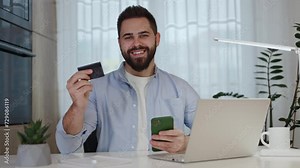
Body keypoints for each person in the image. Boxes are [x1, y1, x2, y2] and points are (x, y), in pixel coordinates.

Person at [56, 5, 199, 154]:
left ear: (157, 39)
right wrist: (77, 107)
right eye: (128, 37)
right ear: (119, 43)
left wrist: (186, 143)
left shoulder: (181, 88)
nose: (136, 43)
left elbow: (212, 137)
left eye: (143, 35)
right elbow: (67, 148)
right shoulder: (96, 89)